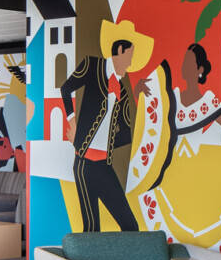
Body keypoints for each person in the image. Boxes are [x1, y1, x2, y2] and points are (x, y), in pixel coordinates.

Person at [61, 19, 153, 231]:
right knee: (91, 228)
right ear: (119, 51)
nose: (129, 63)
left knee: (130, 226)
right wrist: (73, 123)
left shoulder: (123, 92)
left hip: (105, 166)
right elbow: (66, 89)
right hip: (83, 163)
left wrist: (137, 94)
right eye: (129, 56)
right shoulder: (93, 65)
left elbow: (127, 135)